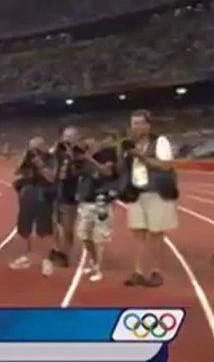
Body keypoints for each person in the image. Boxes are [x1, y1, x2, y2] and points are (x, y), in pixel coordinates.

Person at [120, 110, 178, 287]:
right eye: (133, 123)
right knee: (137, 233)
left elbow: (165, 165)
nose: (136, 127)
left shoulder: (160, 141)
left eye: (140, 123)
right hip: (136, 193)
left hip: (157, 192)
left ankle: (156, 272)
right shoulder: (128, 145)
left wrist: (141, 157)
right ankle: (138, 272)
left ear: (148, 125)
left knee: (156, 234)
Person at [9, 137, 56, 276]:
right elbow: (17, 172)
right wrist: (25, 158)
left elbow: (52, 178)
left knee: (45, 229)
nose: (33, 151)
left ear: (43, 147)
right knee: (25, 226)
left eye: (36, 148)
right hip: (27, 192)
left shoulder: (50, 159)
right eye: (31, 148)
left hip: (44, 194)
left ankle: (47, 260)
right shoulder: (27, 160)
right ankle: (28, 254)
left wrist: (40, 165)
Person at [75, 135, 119, 282]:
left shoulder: (108, 155)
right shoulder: (81, 159)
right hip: (87, 202)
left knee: (99, 238)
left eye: (90, 142)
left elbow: (107, 171)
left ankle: (98, 269)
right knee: (84, 235)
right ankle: (93, 262)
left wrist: (90, 159)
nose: (88, 145)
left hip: (102, 202)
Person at [51, 126, 83, 268]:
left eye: (71, 135)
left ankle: (66, 253)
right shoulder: (59, 151)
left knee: (68, 226)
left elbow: (79, 170)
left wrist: (71, 154)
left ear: (77, 137)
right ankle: (57, 249)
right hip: (57, 190)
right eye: (66, 135)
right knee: (54, 223)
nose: (68, 138)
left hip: (71, 192)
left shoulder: (80, 152)